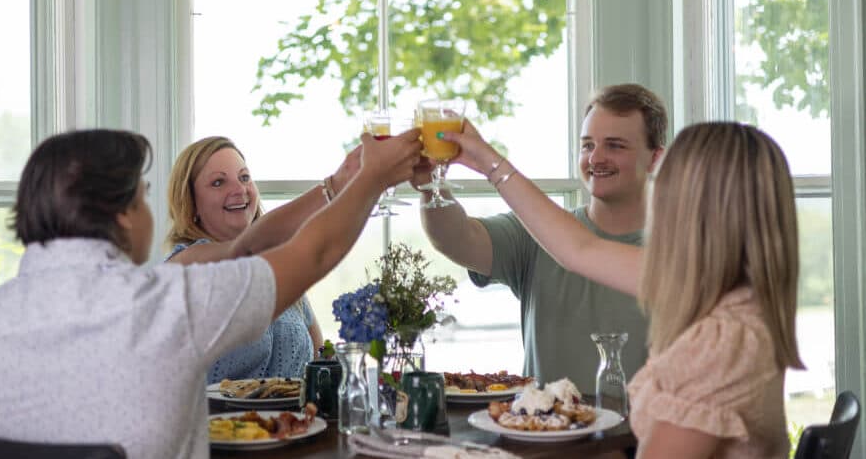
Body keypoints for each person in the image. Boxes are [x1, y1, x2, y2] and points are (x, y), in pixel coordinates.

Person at [0, 127, 422, 458]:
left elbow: (252, 244)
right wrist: (372, 178)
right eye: (142, 196)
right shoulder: (171, 306)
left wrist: (340, 182)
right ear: (124, 213)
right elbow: (312, 254)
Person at [441, 120, 802, 458]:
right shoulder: (730, 295)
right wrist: (487, 160)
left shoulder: (721, 344)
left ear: (691, 209)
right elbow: (579, 250)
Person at [416, 84, 666, 390]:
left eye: (615, 145)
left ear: (655, 158)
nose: (595, 158)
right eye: (587, 145)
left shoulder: (679, 254)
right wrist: (431, 185)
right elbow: (454, 238)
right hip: (542, 431)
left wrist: (489, 161)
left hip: (641, 435)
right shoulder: (537, 231)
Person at [164, 136, 356, 381]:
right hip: (215, 420)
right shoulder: (184, 265)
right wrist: (335, 186)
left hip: (294, 420)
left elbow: (321, 363)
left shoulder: (278, 267)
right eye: (218, 182)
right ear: (191, 203)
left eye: (244, 178)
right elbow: (243, 251)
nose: (239, 190)